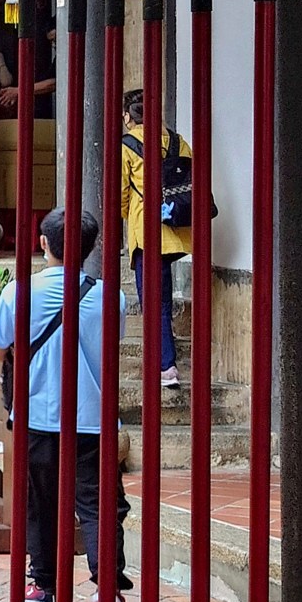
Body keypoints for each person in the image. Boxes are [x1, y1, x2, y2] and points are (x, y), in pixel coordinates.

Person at [0, 208, 136, 602]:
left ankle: (46, 587)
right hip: (92, 419)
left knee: (41, 502)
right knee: (99, 505)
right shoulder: (113, 297)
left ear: (43, 242)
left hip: (36, 415)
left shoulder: (19, 293)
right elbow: (110, 347)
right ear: (90, 249)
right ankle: (107, 586)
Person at [119, 91, 193, 389]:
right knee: (159, 297)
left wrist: (129, 216)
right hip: (176, 230)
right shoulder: (178, 141)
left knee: (154, 302)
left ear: (128, 116)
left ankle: (166, 366)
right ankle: (164, 361)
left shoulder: (128, 147)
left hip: (147, 233)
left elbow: (122, 195)